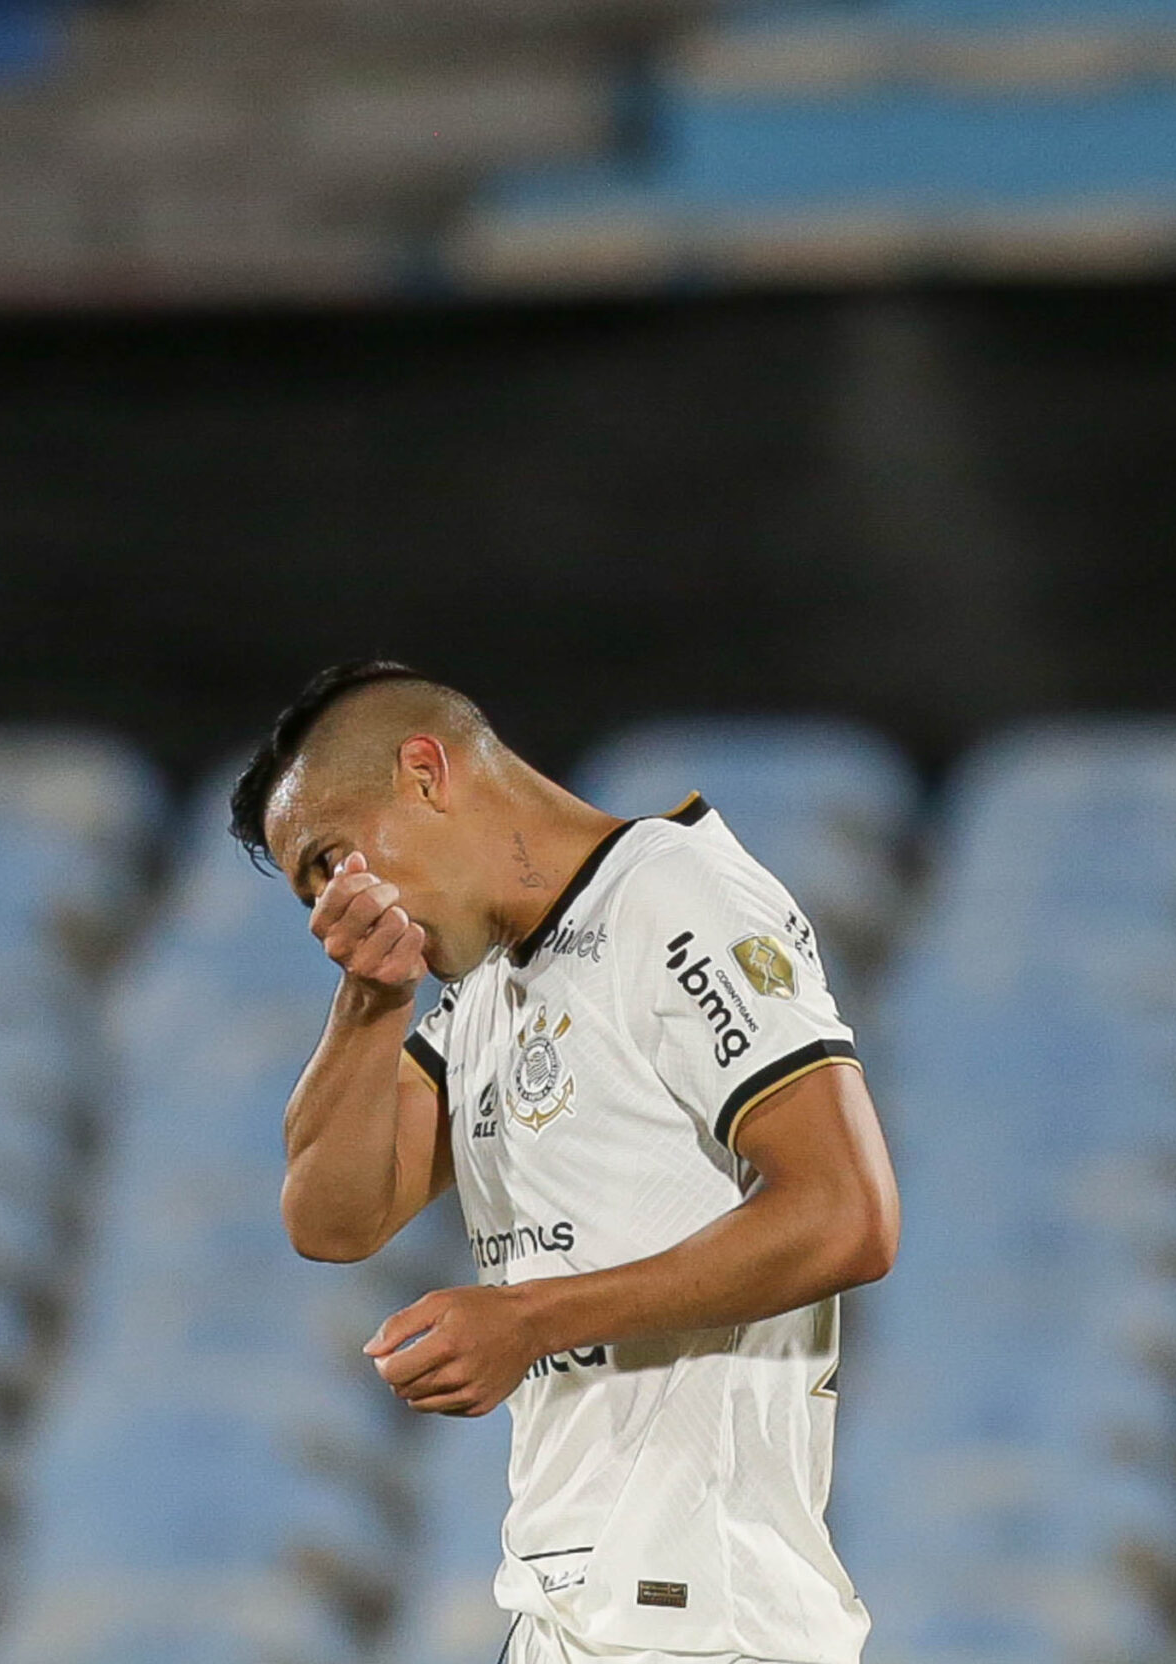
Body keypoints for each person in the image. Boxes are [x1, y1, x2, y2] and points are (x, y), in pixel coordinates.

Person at [227, 660, 902, 1664]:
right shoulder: (492, 983)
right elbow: (330, 1217)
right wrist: (369, 997)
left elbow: (847, 1212)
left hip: (706, 1618)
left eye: (330, 858)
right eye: (310, 893)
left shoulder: (672, 895)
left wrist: (529, 1317)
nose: (330, 904)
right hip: (573, 1611)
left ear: (424, 770)